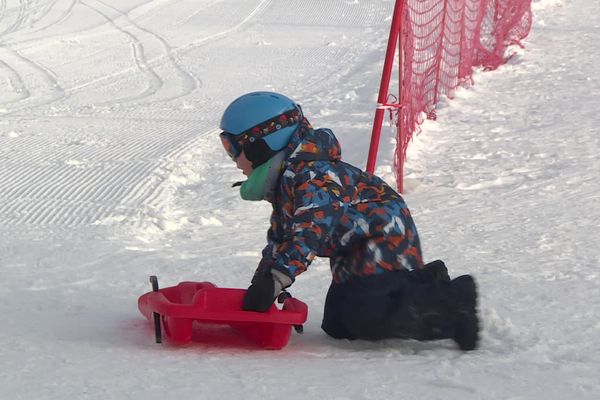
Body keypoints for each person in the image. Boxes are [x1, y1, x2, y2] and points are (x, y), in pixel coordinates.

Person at [219, 91, 480, 351]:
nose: (233, 159)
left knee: (367, 316)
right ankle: (424, 281)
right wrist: (262, 281)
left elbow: (309, 232)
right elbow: (281, 236)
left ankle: (454, 304)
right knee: (338, 324)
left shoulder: (313, 175)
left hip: (383, 234)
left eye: (232, 148)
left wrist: (277, 279)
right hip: (353, 248)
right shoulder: (287, 180)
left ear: (259, 144)